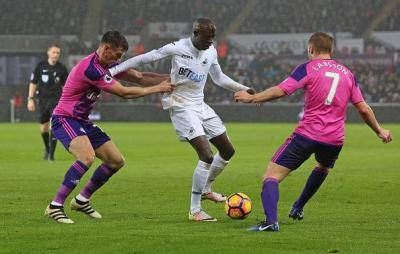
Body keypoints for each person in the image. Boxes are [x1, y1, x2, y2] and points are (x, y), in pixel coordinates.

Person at [234, 32, 392, 232]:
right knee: (323, 168)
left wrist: (252, 98)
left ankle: (271, 222)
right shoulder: (347, 73)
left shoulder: (307, 68)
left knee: (271, 177)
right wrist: (379, 130)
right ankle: (298, 207)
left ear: (311, 49)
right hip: (335, 139)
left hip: (307, 134)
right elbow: (362, 108)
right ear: (331, 51)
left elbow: (282, 90)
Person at [109, 18, 254, 221]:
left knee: (228, 150)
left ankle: (206, 188)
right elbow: (143, 59)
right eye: (207, 37)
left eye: (213, 37)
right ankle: (195, 210)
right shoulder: (177, 47)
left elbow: (219, 78)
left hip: (200, 105)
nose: (211, 41)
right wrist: (113, 71)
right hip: (180, 105)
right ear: (195, 34)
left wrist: (243, 89)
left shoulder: (210, 51)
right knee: (206, 155)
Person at [44, 31, 174, 224]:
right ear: (106, 49)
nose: (120, 59)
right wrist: (157, 89)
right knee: (87, 157)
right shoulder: (92, 68)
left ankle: (81, 200)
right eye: (118, 54)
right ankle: (55, 206)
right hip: (65, 119)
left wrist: (173, 78)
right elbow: (124, 93)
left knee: (115, 161)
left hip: (82, 121)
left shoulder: (109, 65)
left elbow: (139, 77)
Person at [27, 43, 68, 160]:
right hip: (42, 101)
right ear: (48, 53)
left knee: (53, 126)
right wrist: (30, 99)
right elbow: (33, 83)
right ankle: (47, 148)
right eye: (54, 52)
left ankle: (51, 155)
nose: (56, 55)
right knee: (44, 128)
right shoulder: (40, 66)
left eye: (58, 53)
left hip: (56, 101)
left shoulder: (62, 68)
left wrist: (66, 102)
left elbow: (66, 87)